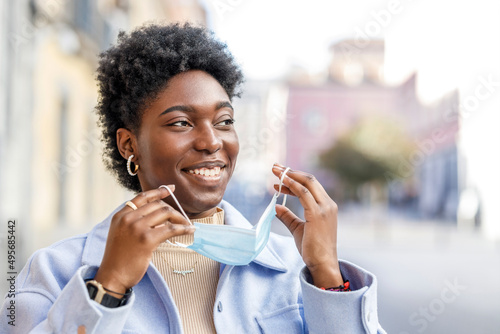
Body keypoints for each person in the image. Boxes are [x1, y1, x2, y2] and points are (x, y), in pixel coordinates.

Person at [1, 23, 385, 333]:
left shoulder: (293, 270)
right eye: (181, 123)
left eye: (225, 121)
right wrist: (109, 286)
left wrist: (327, 275)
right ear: (128, 144)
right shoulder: (56, 271)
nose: (211, 141)